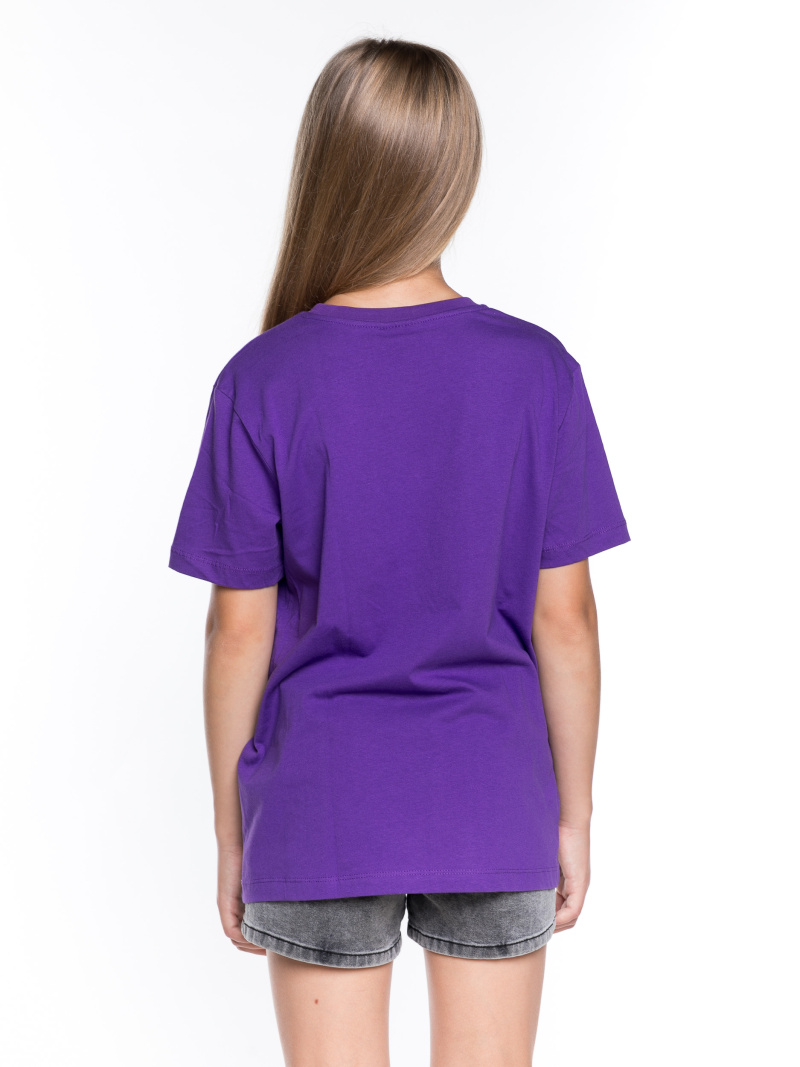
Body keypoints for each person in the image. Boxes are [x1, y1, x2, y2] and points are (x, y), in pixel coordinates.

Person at [168, 36, 630, 1067]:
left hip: (321, 797)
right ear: (453, 173)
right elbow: (566, 619)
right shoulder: (538, 372)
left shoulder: (262, 379)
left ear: (325, 166)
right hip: (493, 791)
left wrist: (234, 829)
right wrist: (573, 811)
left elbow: (236, 632)